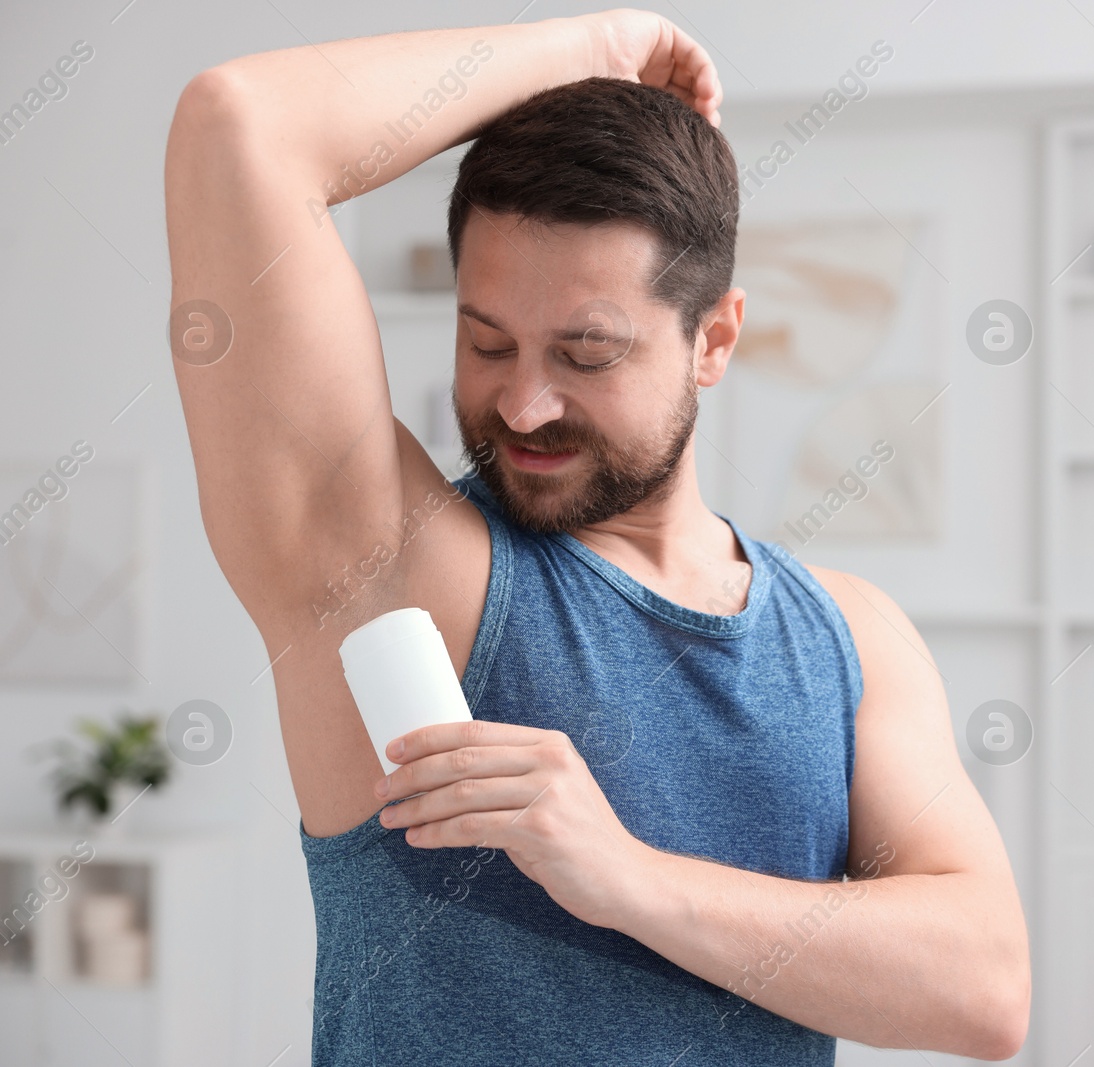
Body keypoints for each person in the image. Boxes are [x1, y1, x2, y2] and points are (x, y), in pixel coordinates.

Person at [164, 8, 1028, 1064]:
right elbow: (237, 125)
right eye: (487, 342)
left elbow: (983, 987)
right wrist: (594, 49)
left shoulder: (852, 636)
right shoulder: (394, 566)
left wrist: (623, 876)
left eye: (585, 354)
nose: (523, 405)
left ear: (712, 340)